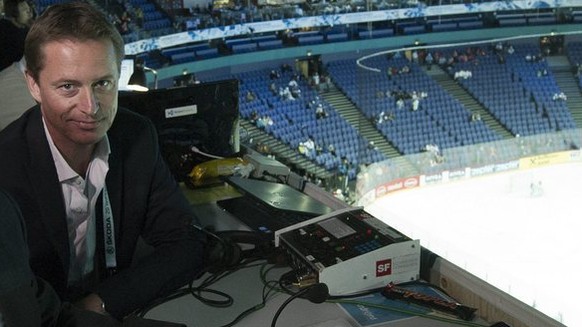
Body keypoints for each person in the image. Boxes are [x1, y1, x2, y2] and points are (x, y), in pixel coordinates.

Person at [0, 1, 207, 323]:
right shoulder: (4, 169)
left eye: (103, 83)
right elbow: (18, 306)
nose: (91, 107)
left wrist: (100, 303)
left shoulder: (136, 136)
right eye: (68, 86)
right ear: (33, 85)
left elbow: (185, 240)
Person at [0, 0, 34, 71]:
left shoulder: (24, 29)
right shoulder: (5, 31)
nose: (29, 12)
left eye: (28, 9)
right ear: (14, 13)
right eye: (24, 10)